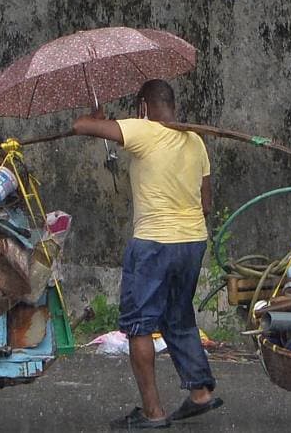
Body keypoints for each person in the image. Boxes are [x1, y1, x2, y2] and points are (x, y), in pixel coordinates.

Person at [72, 80, 222, 430]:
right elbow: (206, 203)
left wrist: (98, 118)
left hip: (154, 243)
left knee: (139, 326)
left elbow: (80, 127)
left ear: (142, 105)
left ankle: (153, 412)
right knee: (178, 316)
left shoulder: (142, 130)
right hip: (192, 242)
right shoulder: (195, 140)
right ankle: (199, 392)